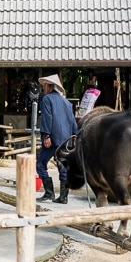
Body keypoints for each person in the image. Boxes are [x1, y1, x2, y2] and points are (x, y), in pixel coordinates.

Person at [36, 74, 78, 204]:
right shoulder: (66, 102)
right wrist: (74, 136)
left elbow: (47, 118)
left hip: (54, 138)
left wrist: (46, 135)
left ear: (49, 86)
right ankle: (63, 197)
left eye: (44, 86)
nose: (43, 88)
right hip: (66, 139)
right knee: (62, 166)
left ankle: (49, 193)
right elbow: (72, 122)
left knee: (40, 164)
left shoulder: (47, 99)